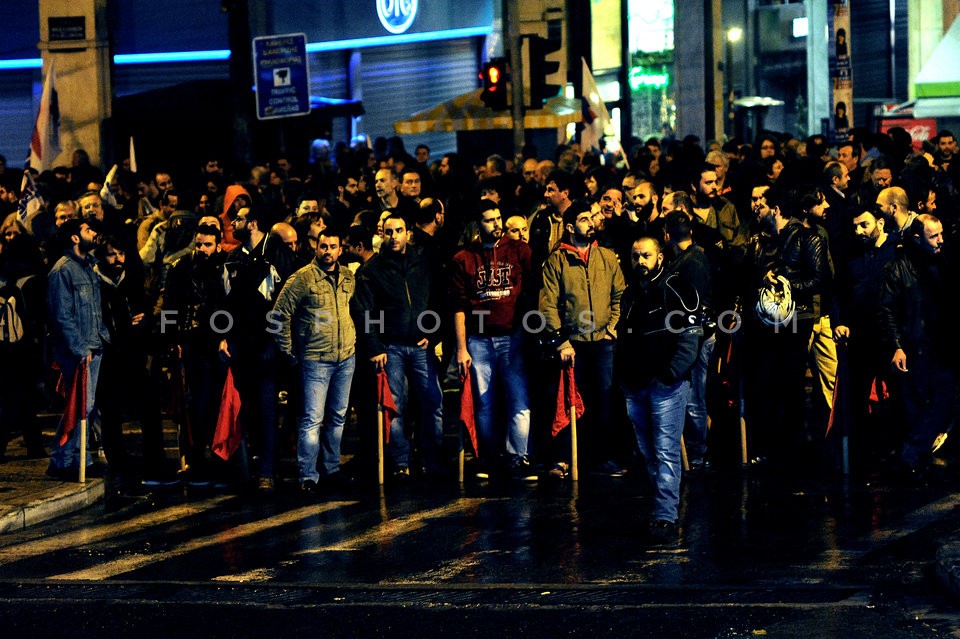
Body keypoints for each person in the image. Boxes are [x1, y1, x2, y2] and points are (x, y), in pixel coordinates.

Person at [616, 236, 701, 545]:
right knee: (649, 452)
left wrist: (671, 373)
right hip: (636, 385)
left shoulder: (677, 287)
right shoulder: (630, 294)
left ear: (660, 257)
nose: (640, 261)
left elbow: (692, 336)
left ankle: (665, 514)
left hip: (665, 386)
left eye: (646, 255)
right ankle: (662, 509)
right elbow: (623, 340)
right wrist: (624, 378)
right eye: (636, 255)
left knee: (665, 451)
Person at [353, 212, 445, 478]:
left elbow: (439, 299)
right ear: (382, 233)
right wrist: (374, 345)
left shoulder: (424, 262)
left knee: (433, 403)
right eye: (389, 231)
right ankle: (400, 462)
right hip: (390, 347)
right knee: (394, 408)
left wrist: (436, 331)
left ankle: (432, 460)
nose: (394, 236)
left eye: (399, 230)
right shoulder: (372, 270)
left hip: (421, 345)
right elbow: (365, 312)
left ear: (408, 232)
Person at [539, 200, 626, 477]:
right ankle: (562, 459)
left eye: (592, 217)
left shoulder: (607, 257)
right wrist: (560, 340)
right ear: (569, 226)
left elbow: (619, 295)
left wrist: (613, 326)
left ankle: (601, 458)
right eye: (584, 218)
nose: (591, 222)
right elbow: (547, 304)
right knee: (565, 402)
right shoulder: (557, 260)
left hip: (603, 341)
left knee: (603, 400)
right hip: (571, 342)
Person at [450, 200, 535, 480]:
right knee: (485, 402)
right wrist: (461, 348)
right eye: (489, 220)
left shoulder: (519, 250)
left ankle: (518, 458)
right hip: (480, 339)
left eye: (498, 217)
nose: (496, 224)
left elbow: (533, 292)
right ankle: (487, 458)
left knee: (518, 400)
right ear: (478, 223)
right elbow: (459, 306)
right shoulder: (463, 258)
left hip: (513, 336)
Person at [272, 227, 357, 494]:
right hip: (315, 360)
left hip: (345, 357)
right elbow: (278, 316)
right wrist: (289, 351)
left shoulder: (347, 277)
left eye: (333, 247)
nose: (328, 251)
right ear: (316, 248)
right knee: (312, 419)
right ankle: (308, 475)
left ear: (341, 249)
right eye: (323, 246)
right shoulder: (303, 278)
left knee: (337, 417)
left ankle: (331, 469)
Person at [877, 214, 956, 478]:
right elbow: (887, 309)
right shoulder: (898, 267)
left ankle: (910, 456)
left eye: (941, 234)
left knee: (943, 401)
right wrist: (897, 346)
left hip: (939, 346)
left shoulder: (941, 263)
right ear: (917, 237)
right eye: (933, 236)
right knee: (916, 406)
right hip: (915, 347)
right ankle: (910, 458)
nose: (940, 241)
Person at [46, 219, 111, 480]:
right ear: (74, 238)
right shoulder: (63, 271)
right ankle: (73, 460)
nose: (94, 234)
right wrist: (80, 348)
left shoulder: (89, 267)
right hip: (79, 351)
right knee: (81, 406)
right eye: (87, 230)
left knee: (83, 406)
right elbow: (62, 316)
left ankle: (67, 459)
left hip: (93, 346)